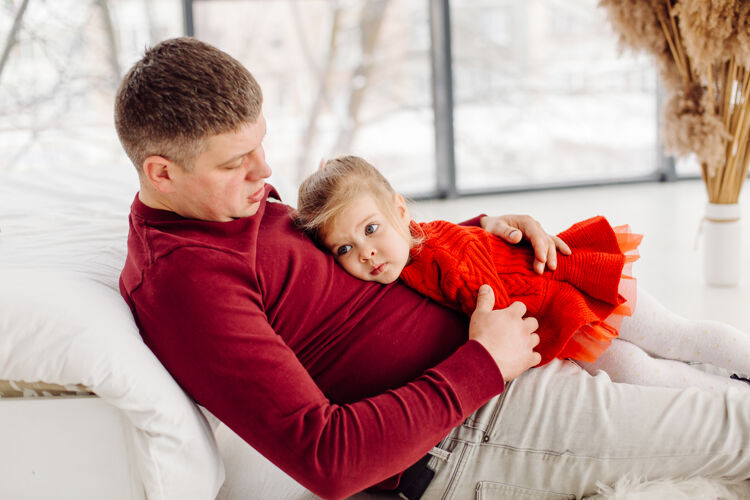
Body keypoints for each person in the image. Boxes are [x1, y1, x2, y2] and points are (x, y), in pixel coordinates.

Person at [115, 37, 750, 500]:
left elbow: (363, 264)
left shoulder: (230, 208)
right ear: (161, 173)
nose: (266, 173)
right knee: (736, 429)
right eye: (236, 163)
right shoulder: (185, 284)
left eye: (261, 145)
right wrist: (484, 363)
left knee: (711, 378)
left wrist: (482, 239)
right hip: (472, 428)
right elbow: (327, 459)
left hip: (504, 352)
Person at [296, 155, 750, 393]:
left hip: (566, 280)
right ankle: (732, 398)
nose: (367, 253)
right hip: (557, 324)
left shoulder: (431, 253)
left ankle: (740, 365)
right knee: (637, 372)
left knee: (674, 334)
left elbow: (483, 287)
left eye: (371, 229)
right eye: (345, 248)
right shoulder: (410, 252)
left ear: (398, 210)